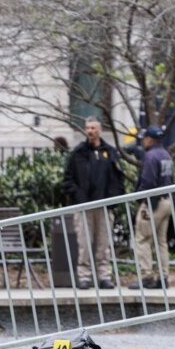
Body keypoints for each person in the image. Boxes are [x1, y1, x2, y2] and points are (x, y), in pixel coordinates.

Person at [62, 116, 124, 289]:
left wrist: (113, 200)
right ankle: (84, 276)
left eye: (93, 128)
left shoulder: (110, 152)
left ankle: (104, 276)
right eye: (87, 128)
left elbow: (118, 178)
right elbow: (68, 179)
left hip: (104, 205)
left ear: (100, 130)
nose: (90, 131)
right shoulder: (78, 153)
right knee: (84, 244)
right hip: (84, 206)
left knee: (104, 244)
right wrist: (78, 197)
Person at [129, 126, 174, 290]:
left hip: (153, 203)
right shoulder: (166, 154)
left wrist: (141, 200)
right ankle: (163, 277)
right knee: (161, 242)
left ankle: (146, 277)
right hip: (166, 201)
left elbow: (148, 182)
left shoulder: (150, 156)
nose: (142, 141)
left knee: (142, 239)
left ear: (149, 139)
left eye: (144, 138)